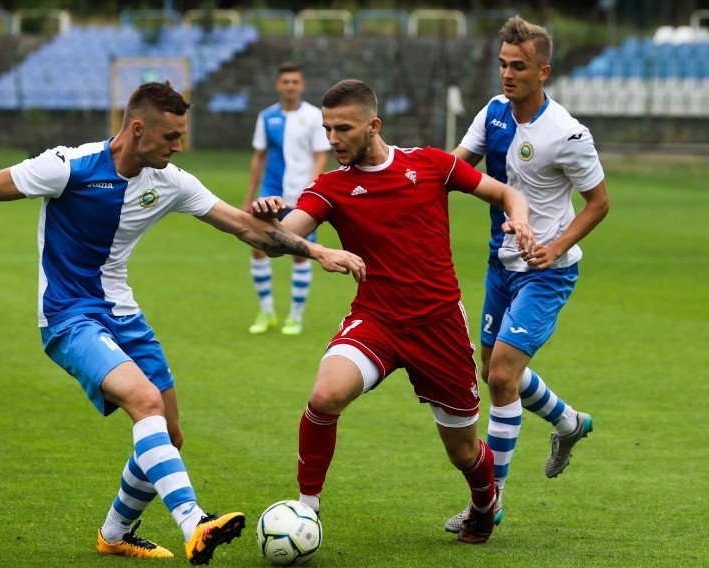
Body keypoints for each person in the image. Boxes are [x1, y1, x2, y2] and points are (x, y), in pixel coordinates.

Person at [0, 81, 366, 563]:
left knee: (169, 435)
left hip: (124, 314)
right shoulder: (68, 166)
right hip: (69, 315)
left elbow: (244, 226)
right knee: (145, 402)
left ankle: (115, 534)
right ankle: (194, 522)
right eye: (171, 137)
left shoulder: (171, 180)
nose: (179, 146)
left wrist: (316, 249)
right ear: (137, 128)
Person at [251, 79, 535, 545]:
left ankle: (485, 505)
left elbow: (506, 194)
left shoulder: (429, 165)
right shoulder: (331, 188)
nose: (333, 139)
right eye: (327, 128)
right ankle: (307, 508)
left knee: (463, 452)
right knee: (324, 397)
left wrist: (519, 218)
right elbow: (279, 238)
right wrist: (270, 222)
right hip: (376, 321)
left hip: (439, 325)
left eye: (343, 128)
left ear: (374, 125)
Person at [444, 16, 610, 534]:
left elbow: (599, 203)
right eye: (502, 64)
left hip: (547, 272)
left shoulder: (567, 133)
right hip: (500, 264)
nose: (507, 74)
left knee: (499, 378)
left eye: (518, 66)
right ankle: (567, 422)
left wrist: (556, 246)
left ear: (544, 71)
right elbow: (455, 167)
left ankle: (489, 503)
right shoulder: (492, 113)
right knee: (493, 367)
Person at [242, 61, 330, 336]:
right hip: (270, 195)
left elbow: (320, 156)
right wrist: (249, 196)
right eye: (286, 81)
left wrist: (310, 191)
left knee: (301, 254)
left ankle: (295, 316)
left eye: (295, 81)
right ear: (278, 85)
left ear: (302, 85)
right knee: (257, 246)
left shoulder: (315, 116)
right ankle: (266, 311)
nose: (290, 86)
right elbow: (259, 157)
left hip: (301, 198)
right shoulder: (267, 117)